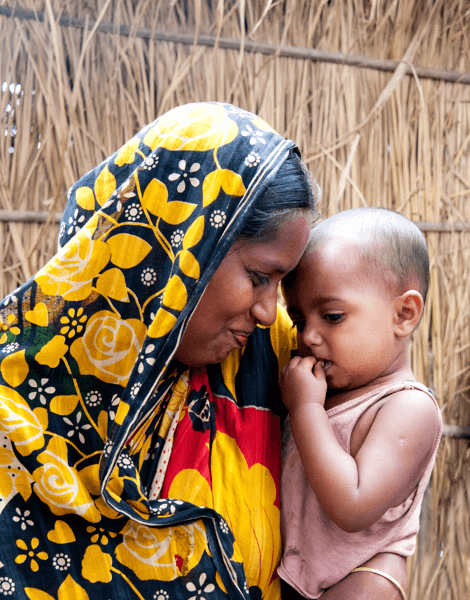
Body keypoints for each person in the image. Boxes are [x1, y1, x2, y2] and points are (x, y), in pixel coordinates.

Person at [0, 101, 408, 600]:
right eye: (258, 278)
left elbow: (384, 484)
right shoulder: (24, 388)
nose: (267, 310)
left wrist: (386, 569)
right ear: (183, 247)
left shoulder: (285, 357)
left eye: (278, 287)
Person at [278, 207, 443, 600]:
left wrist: (304, 411)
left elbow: (353, 506)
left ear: (404, 314)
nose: (309, 337)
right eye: (299, 320)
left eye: (332, 316)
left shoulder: (408, 408)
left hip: (361, 582)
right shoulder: (321, 388)